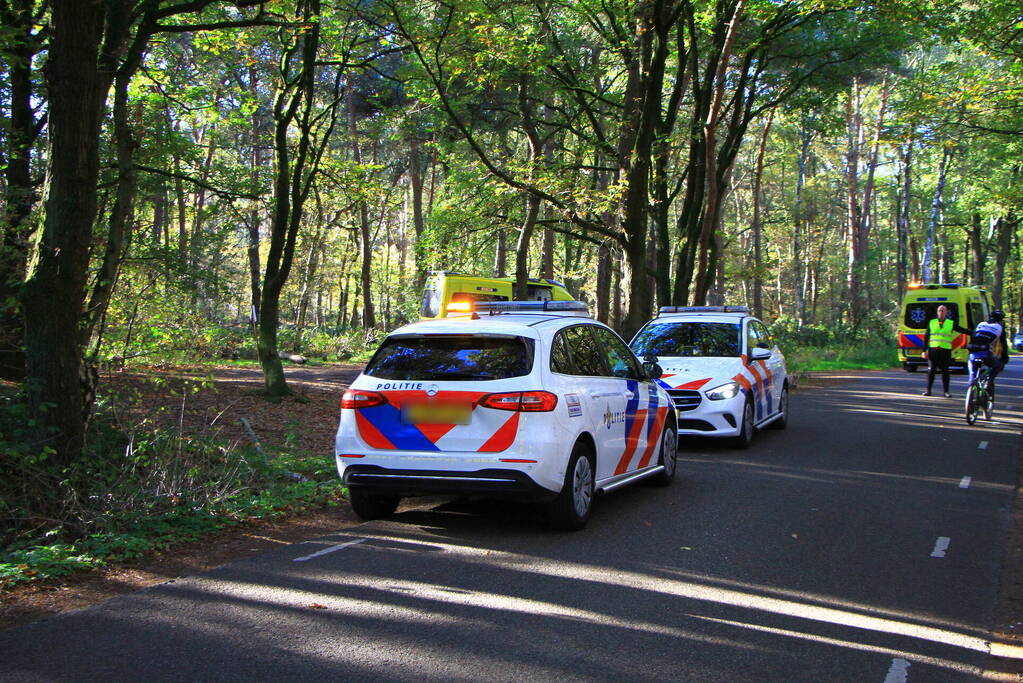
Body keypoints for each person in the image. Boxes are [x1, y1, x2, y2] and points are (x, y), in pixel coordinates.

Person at [922, 304, 969, 397]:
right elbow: (926, 337)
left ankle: (946, 392)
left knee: (945, 372)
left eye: (943, 311)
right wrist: (924, 350)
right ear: (937, 312)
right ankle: (928, 391)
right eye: (939, 310)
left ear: (946, 312)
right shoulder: (932, 322)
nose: (941, 312)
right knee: (931, 371)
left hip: (945, 351)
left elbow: (961, 330)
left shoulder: (950, 323)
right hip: (933, 350)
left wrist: (974, 332)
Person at [966, 309, 1009, 399]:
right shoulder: (999, 328)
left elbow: (974, 337)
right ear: (1000, 320)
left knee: (972, 366)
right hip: (985, 353)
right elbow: (1003, 345)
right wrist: (1004, 358)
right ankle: (989, 381)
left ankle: (972, 380)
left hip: (973, 352)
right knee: (996, 366)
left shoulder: (981, 324)